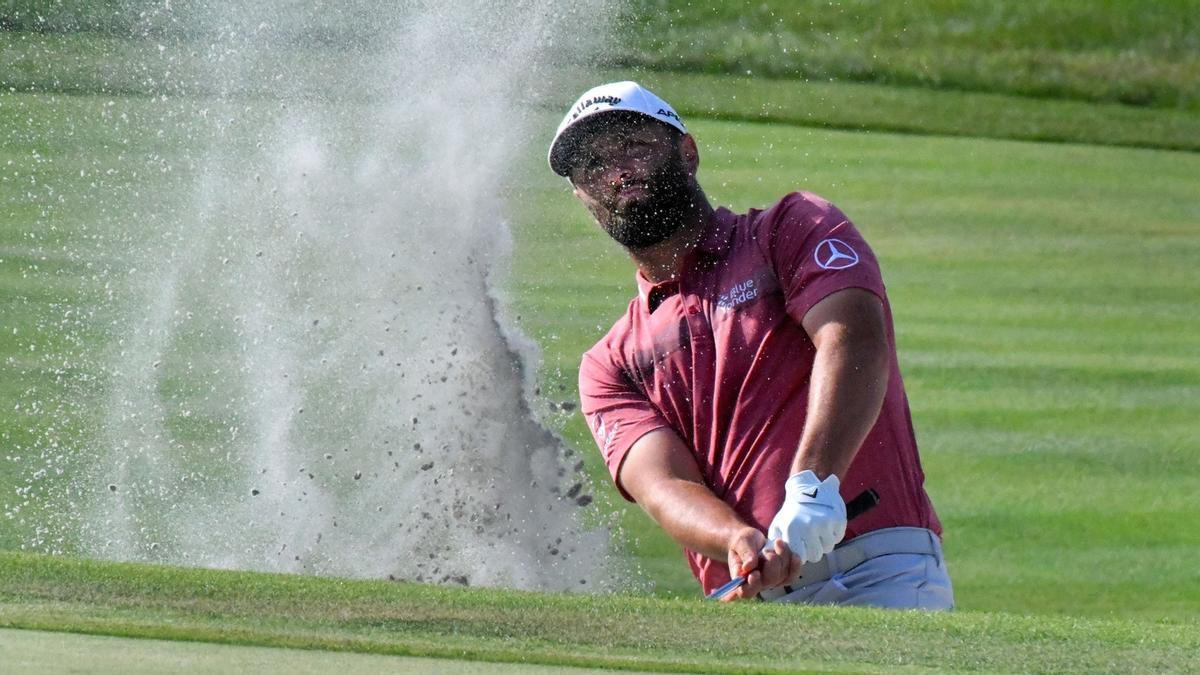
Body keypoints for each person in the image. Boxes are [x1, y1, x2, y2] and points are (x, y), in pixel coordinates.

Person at [549, 81, 953, 608]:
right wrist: (735, 540)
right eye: (593, 166)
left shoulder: (789, 229)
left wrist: (814, 486)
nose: (618, 171)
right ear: (583, 198)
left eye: (635, 146)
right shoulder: (611, 363)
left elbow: (853, 341)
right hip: (751, 602)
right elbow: (663, 485)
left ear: (687, 153)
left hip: (879, 568)